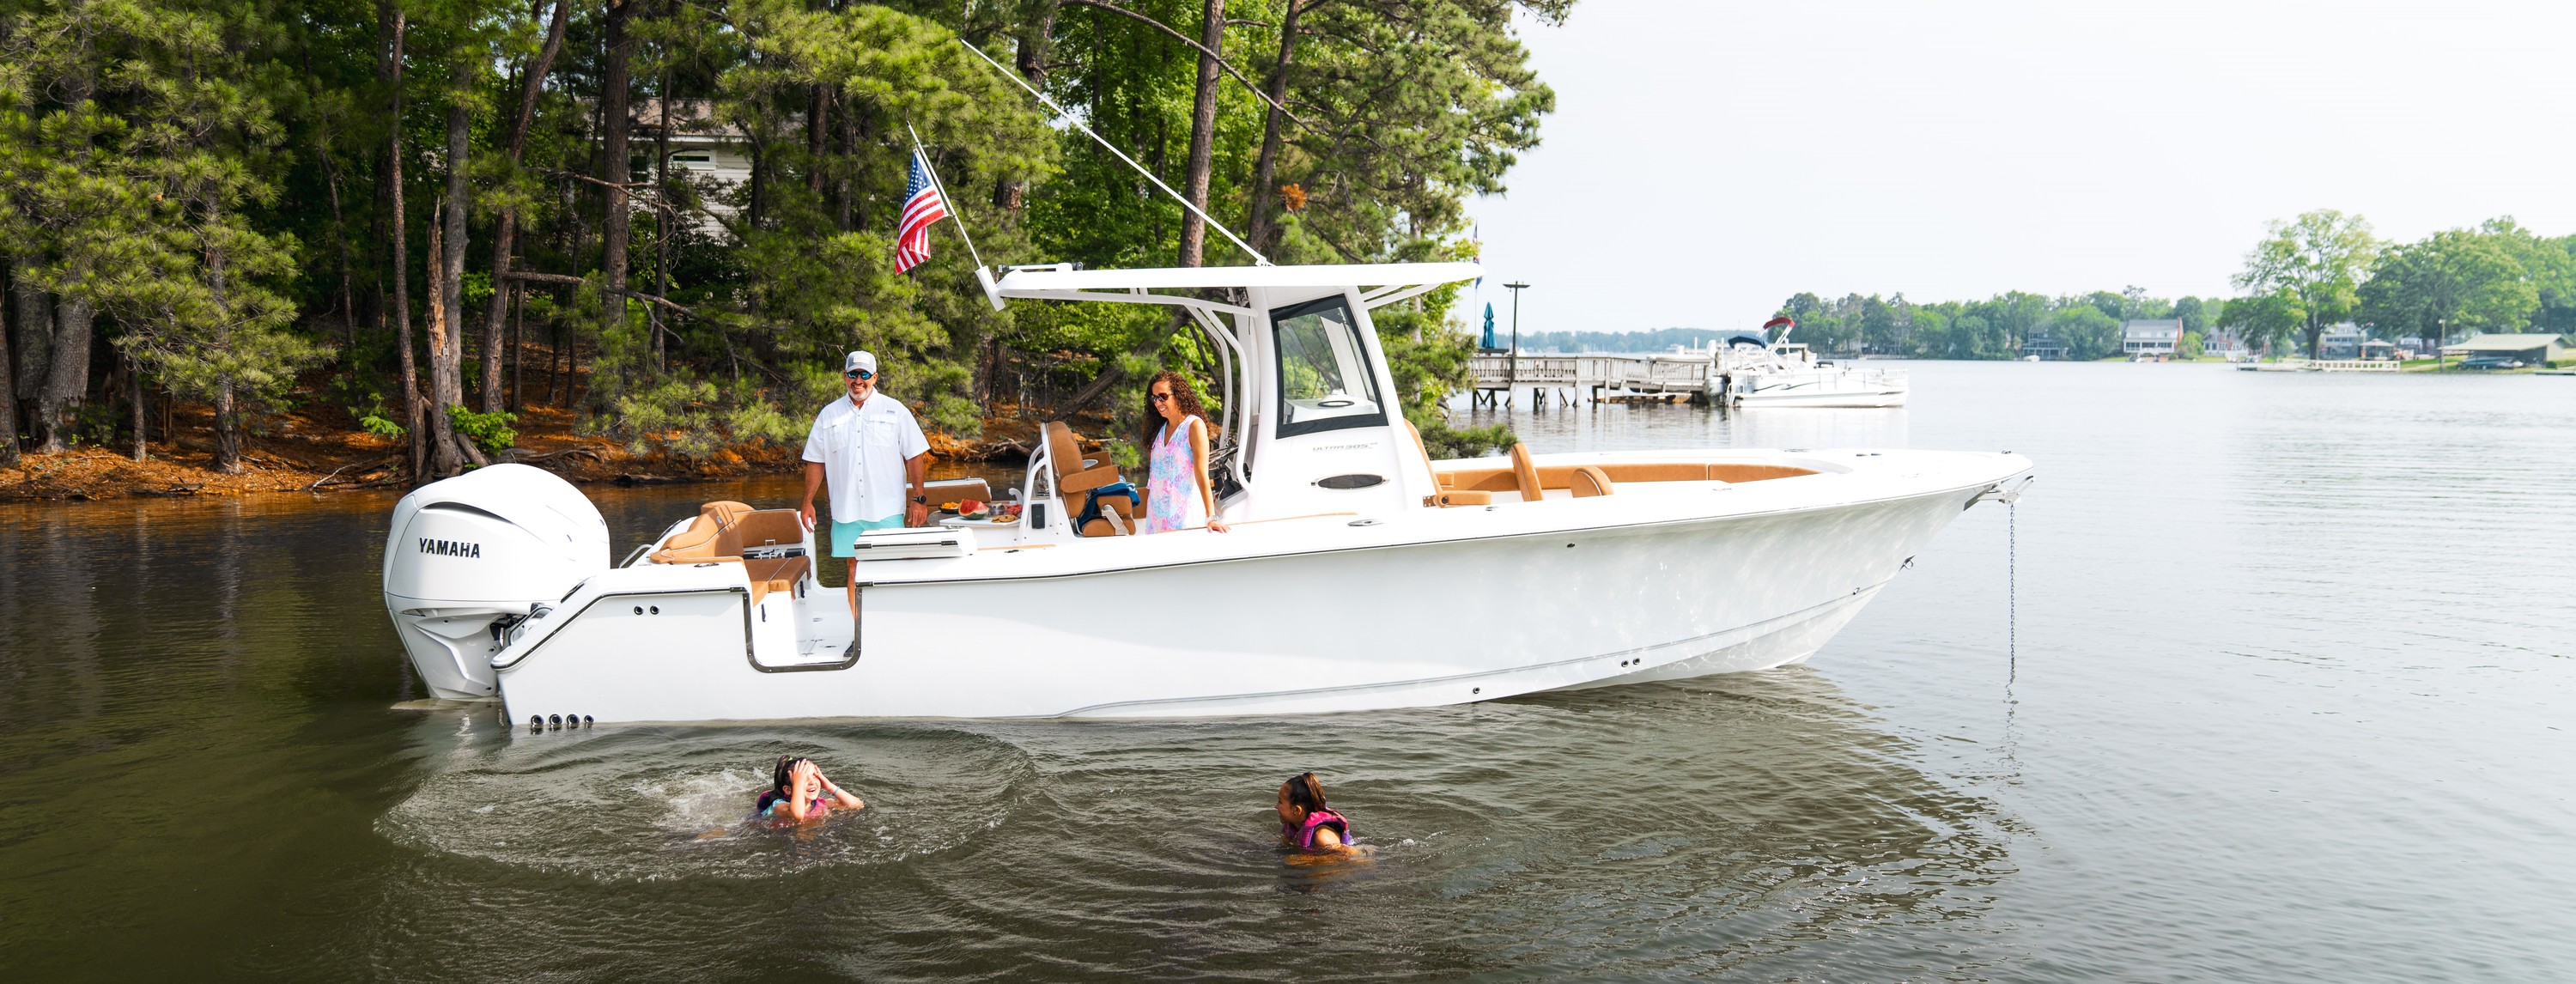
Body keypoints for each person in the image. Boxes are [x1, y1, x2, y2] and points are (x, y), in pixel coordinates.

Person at [800, 350, 932, 653]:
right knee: (853, 570)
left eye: (864, 375)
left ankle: (895, 632)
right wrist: (807, 501)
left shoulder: (895, 410)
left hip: (886, 509)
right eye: (852, 374)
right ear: (845, 376)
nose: (857, 381)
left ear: (874, 377)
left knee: (892, 569)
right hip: (847, 511)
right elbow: (815, 462)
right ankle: (861, 635)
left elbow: (914, 456)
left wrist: (919, 499)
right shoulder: (828, 415)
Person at [1139, 370, 1228, 534]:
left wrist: (1211, 517)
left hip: (1183, 519)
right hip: (1156, 519)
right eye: (1154, 398)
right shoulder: (1159, 430)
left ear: (1178, 395)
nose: (1158, 403)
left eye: (1162, 397)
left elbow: (1202, 474)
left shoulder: (1194, 426)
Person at [1276, 771, 1364, 860]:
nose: (1276, 806)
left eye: (1280, 802)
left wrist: (1304, 859)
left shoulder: (1322, 836)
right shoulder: (1294, 825)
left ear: (1296, 810)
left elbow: (1351, 855)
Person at [758, 756, 865, 823]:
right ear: (788, 790)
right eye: (804, 779)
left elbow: (857, 805)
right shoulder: (779, 805)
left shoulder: (821, 803)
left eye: (814, 776)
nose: (812, 782)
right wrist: (798, 783)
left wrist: (829, 786)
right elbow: (797, 816)